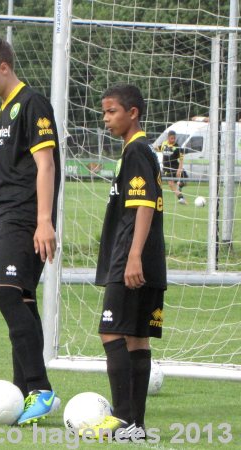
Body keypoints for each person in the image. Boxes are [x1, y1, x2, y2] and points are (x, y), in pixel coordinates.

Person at [0, 35, 61, 425]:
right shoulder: (4, 109)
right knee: (21, 300)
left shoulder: (31, 103)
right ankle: (25, 393)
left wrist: (43, 220)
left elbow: (46, 165)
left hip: (23, 218)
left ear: (4, 67)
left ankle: (39, 387)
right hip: (3, 217)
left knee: (6, 295)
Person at [89, 84, 165, 438]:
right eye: (104, 112)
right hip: (148, 261)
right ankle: (135, 424)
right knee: (136, 338)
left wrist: (133, 256)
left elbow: (144, 205)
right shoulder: (141, 151)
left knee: (111, 331)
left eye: (111, 111)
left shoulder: (137, 150)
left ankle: (120, 416)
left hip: (131, 260)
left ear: (132, 113)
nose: (105, 119)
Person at [158, 130, 187, 204]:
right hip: (167, 168)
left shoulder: (178, 147)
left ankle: (180, 185)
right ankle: (181, 198)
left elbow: (181, 159)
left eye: (174, 138)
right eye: (171, 138)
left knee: (184, 181)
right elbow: (157, 148)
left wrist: (179, 169)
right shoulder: (164, 144)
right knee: (170, 183)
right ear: (168, 138)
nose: (173, 140)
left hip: (175, 167)